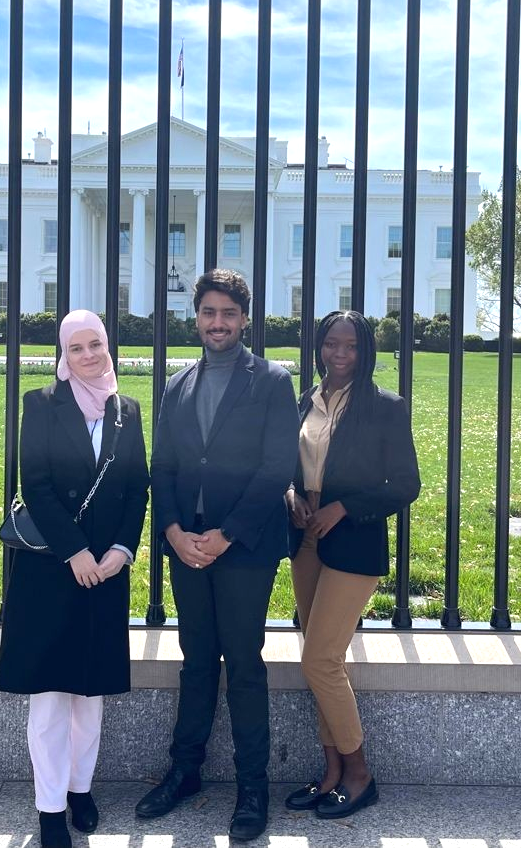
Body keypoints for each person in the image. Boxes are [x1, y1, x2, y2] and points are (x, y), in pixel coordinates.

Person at [135, 269, 299, 843]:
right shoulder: (178, 384)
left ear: (246, 318)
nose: (218, 323)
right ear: (196, 317)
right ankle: (185, 772)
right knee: (196, 659)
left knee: (245, 664)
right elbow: (167, 468)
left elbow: (277, 467)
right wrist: (175, 532)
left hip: (244, 547)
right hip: (188, 544)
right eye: (209, 313)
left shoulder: (273, 381)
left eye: (229, 314)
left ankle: (252, 785)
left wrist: (226, 535)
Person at [0, 309, 150, 848]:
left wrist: (121, 550)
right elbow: (33, 484)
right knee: (50, 698)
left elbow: (137, 489)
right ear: (63, 352)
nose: (88, 355)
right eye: (77, 347)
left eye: (96, 344)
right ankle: (50, 807)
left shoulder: (126, 410)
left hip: (106, 570)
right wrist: (75, 552)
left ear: (109, 346)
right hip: (52, 569)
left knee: (91, 692)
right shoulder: (40, 404)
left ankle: (81, 788)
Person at [283, 310, 420, 819]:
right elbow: (292, 466)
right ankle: (332, 773)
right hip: (306, 540)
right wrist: (291, 494)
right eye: (331, 345)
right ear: (319, 348)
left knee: (319, 659)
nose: (340, 355)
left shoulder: (385, 408)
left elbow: (405, 485)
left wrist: (344, 507)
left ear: (365, 352)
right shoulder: (305, 401)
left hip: (353, 544)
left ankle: (360, 773)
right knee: (324, 662)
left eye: (351, 347)